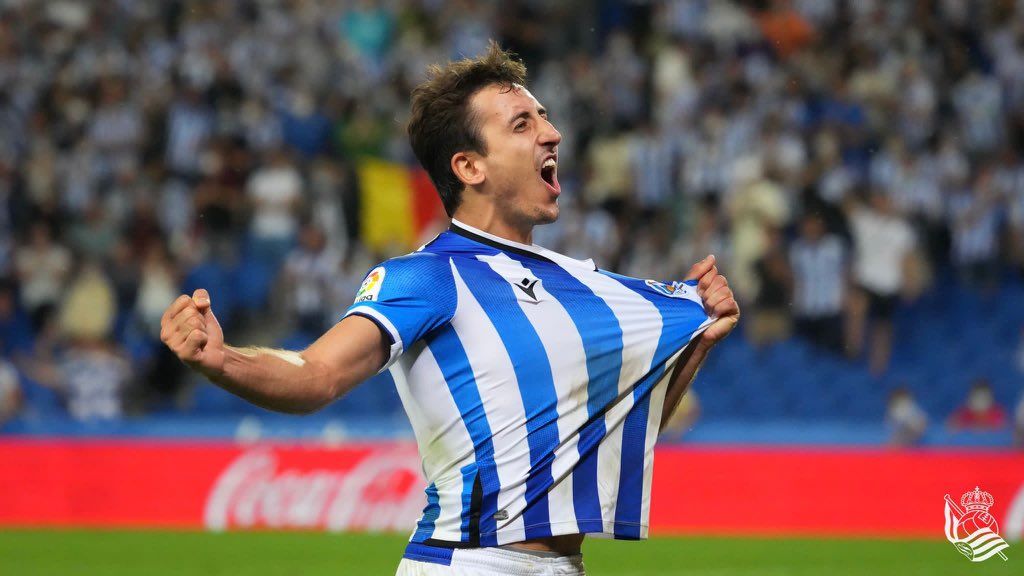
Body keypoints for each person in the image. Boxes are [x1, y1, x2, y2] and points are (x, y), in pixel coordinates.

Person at [160, 43, 739, 576]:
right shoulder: (429, 277)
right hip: (470, 563)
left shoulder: (581, 284)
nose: (553, 134)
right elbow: (319, 375)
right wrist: (225, 361)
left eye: (544, 117)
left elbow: (615, 433)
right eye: (523, 123)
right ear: (469, 167)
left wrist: (700, 342)